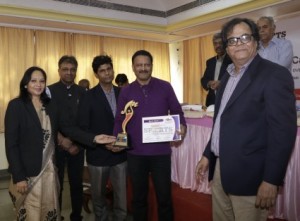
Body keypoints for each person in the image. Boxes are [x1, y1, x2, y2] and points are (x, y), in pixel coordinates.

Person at [195, 18, 297, 221]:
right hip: (221, 170)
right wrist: (208, 155)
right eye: (232, 40)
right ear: (226, 47)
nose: (238, 43)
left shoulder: (274, 75)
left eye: (244, 37)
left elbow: (283, 132)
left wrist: (271, 180)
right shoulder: (226, 77)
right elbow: (221, 123)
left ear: (255, 41)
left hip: (252, 176)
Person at [4, 66, 115, 221]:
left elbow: (68, 128)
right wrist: (18, 176)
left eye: (42, 81)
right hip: (28, 174)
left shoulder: (50, 105)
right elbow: (11, 145)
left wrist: (94, 138)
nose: (38, 84)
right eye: (33, 81)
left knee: (50, 210)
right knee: (31, 213)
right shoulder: (16, 106)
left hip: (49, 172)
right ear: (25, 84)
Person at [114, 50, 187, 221]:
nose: (143, 68)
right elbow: (120, 119)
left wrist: (182, 126)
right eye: (139, 65)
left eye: (147, 65)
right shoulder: (126, 92)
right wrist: (119, 142)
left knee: (164, 198)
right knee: (139, 199)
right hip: (135, 154)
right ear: (133, 67)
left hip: (160, 153)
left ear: (152, 66)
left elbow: (177, 111)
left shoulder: (165, 86)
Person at [76, 55, 127, 221]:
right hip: (97, 155)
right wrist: (102, 143)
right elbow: (82, 127)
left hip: (120, 154)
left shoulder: (123, 94)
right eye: (102, 71)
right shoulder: (88, 96)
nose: (107, 73)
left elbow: (129, 124)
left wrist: (121, 144)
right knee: (99, 200)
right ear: (96, 75)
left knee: (121, 198)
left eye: (109, 69)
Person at [48, 55, 86, 221]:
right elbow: (45, 119)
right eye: (65, 69)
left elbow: (86, 122)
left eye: (72, 70)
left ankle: (76, 216)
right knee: (56, 186)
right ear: (59, 71)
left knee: (76, 184)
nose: (69, 73)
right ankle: (57, 216)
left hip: (78, 147)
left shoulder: (83, 92)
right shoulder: (48, 91)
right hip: (56, 145)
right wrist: (61, 139)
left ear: (76, 71)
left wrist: (75, 143)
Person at [201, 33, 232, 107]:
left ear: (225, 44)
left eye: (220, 43)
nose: (217, 46)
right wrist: (209, 83)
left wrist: (221, 83)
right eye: (215, 44)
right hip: (211, 102)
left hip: (226, 100)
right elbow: (204, 80)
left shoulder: (232, 60)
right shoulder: (210, 62)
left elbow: (234, 79)